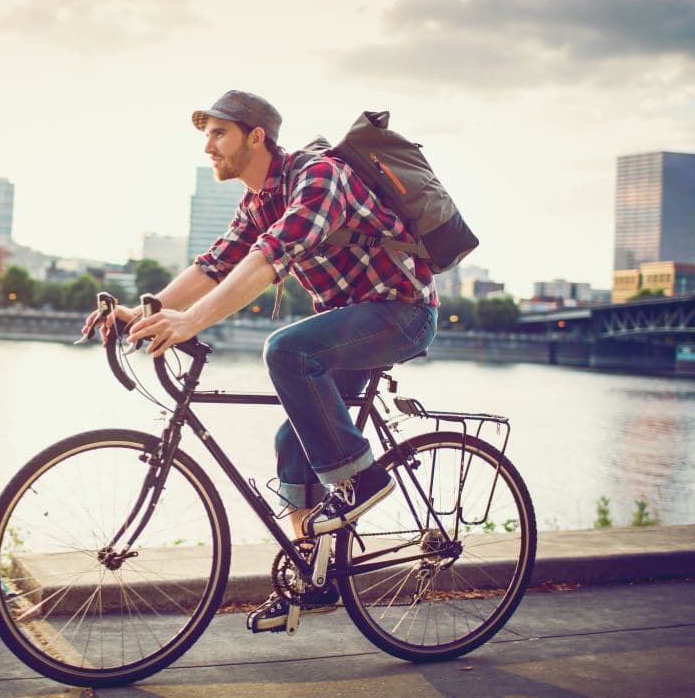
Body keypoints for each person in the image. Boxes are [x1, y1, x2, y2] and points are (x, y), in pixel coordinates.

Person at [86, 90, 438, 632]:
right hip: (350, 326)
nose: (208, 146)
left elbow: (268, 259)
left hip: (401, 314)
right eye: (206, 135)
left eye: (219, 133)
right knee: (291, 443)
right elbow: (214, 265)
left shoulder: (319, 176)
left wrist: (191, 323)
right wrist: (144, 313)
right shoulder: (256, 203)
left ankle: (363, 483)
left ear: (257, 137)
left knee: (287, 349)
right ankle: (316, 580)